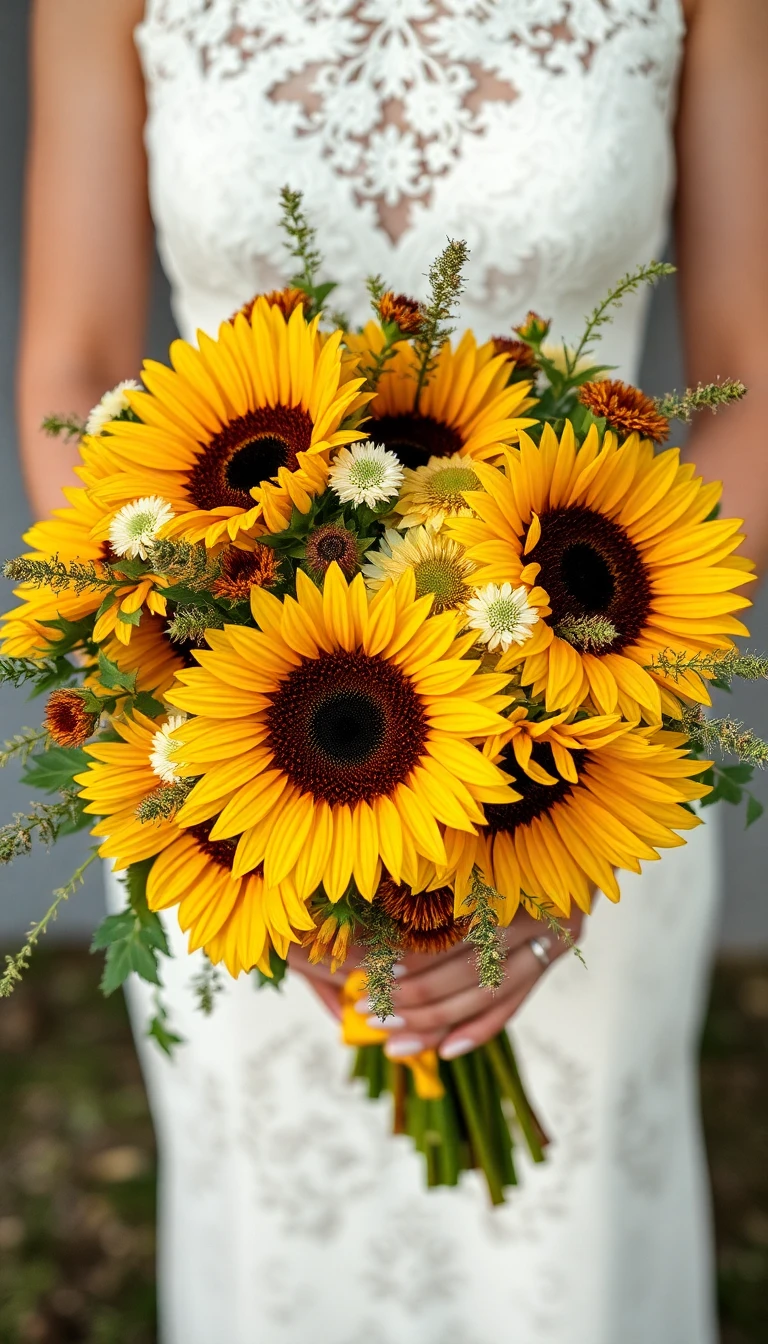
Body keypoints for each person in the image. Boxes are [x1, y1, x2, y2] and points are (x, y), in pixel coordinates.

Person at [17, 2, 768, 1341]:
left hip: (584, 739)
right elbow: (71, 370)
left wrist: (563, 763)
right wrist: (194, 694)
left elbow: (750, 380)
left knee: (572, 1264)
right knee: (273, 1254)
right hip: (228, 750)